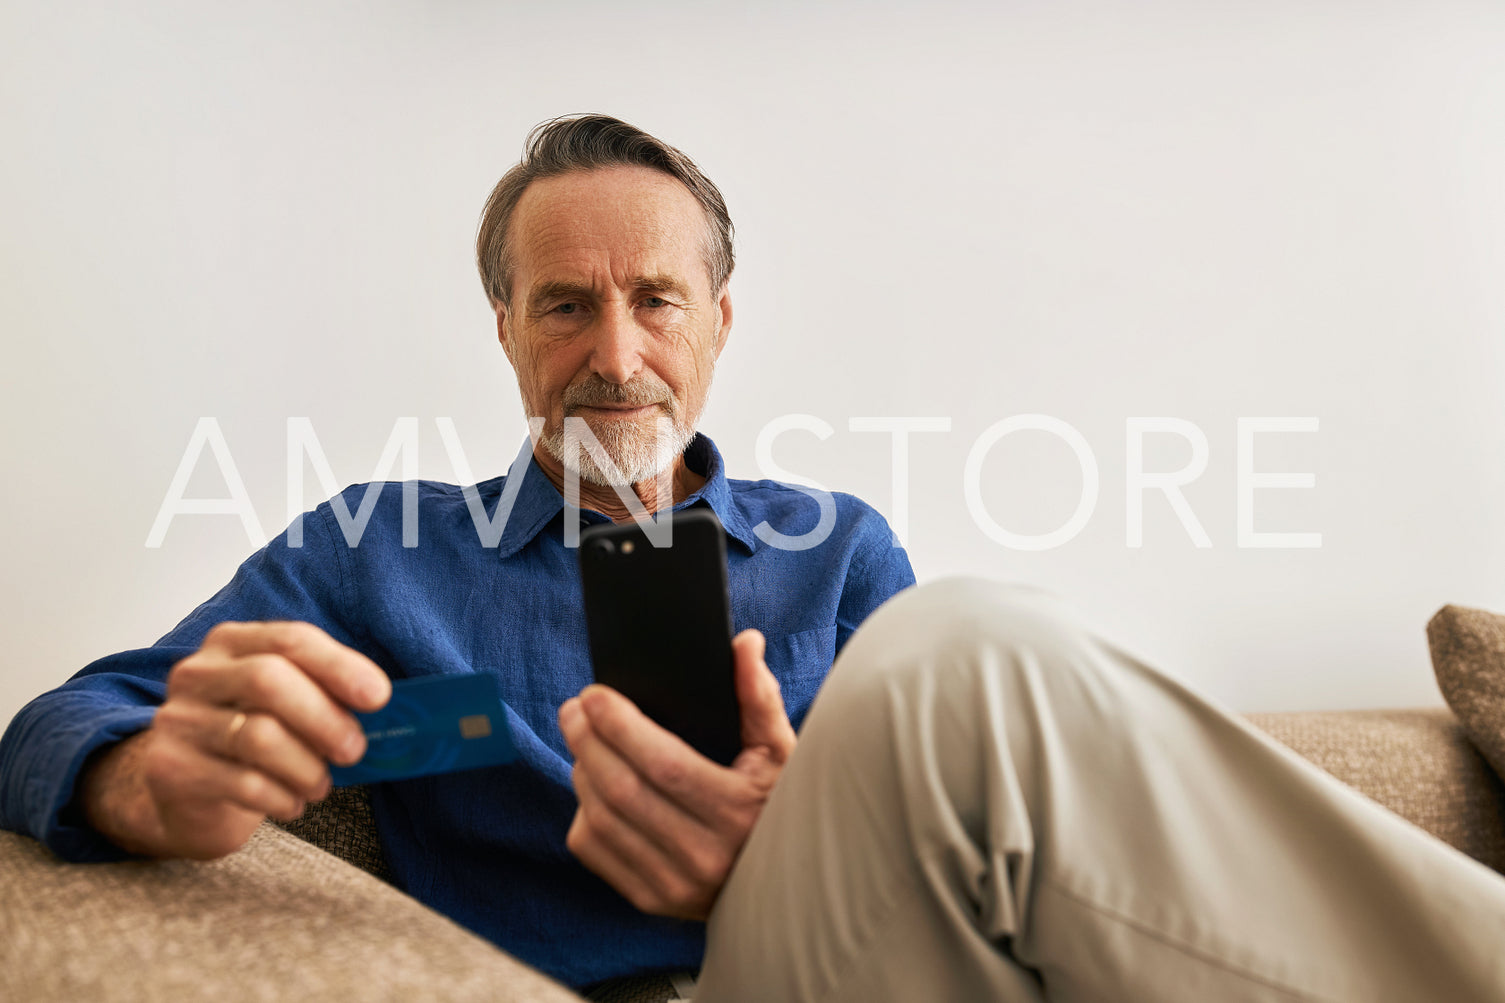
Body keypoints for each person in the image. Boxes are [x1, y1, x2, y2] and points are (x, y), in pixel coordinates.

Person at [4, 115, 1505, 1002]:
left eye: (656, 299)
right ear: (504, 331)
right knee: (965, 646)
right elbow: (57, 717)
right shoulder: (367, 549)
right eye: (561, 307)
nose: (614, 355)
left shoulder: (835, 547)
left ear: (720, 323)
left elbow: (965, 836)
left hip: (867, 964)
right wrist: (143, 778)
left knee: (959, 646)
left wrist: (785, 835)